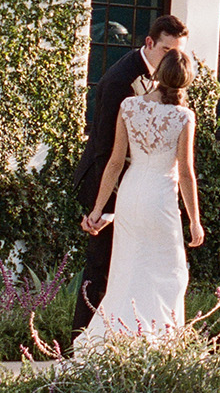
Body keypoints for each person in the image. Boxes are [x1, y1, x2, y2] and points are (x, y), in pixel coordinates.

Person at [74, 47, 204, 347]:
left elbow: (115, 163)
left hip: (130, 197)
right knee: (170, 275)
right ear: (186, 81)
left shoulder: (129, 106)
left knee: (126, 272)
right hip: (160, 200)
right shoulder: (184, 116)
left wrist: (97, 210)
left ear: (158, 75)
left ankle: (113, 342)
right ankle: (156, 343)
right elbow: (186, 173)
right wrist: (195, 221)